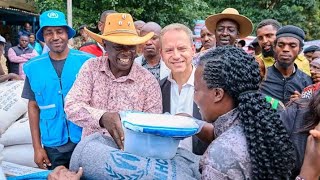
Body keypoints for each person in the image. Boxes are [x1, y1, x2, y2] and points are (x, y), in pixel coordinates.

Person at [64, 13, 162, 150]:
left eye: (131, 46)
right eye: (119, 46)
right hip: (92, 152)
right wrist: (102, 117)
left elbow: (154, 125)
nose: (126, 52)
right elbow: (71, 106)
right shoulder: (91, 68)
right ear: (105, 45)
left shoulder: (148, 81)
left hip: (131, 156)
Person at [195, 46, 295, 179]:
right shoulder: (266, 128)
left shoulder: (218, 157)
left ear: (217, 94)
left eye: (196, 90)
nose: (194, 97)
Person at [21, 10, 94, 170]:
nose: (55, 37)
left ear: (67, 34)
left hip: (85, 140)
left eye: (59, 31)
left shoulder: (87, 62)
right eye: (49, 33)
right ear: (43, 37)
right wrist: (37, 148)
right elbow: (33, 106)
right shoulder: (33, 67)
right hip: (53, 145)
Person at [159, 23, 209, 155]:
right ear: (161, 54)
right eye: (169, 50)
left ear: (193, 50)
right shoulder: (157, 88)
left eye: (182, 49)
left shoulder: (210, 87)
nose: (176, 56)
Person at [260, 25, 312, 104]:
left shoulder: (307, 81)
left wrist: (302, 102)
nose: (285, 49)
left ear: (300, 50)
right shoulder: (261, 77)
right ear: (274, 47)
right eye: (281, 45)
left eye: (292, 46)